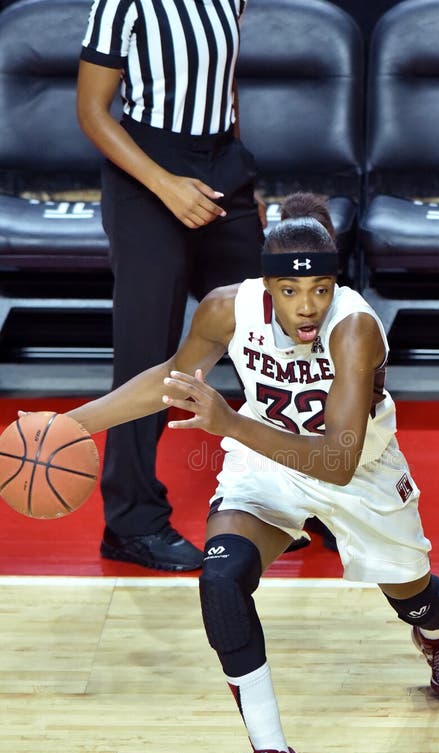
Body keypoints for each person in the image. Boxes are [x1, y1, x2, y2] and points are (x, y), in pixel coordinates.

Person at [53, 193, 439, 753]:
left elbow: (336, 460)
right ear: (265, 285)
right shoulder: (227, 308)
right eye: (289, 290)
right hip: (264, 465)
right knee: (221, 581)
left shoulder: (354, 327)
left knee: (413, 591)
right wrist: (66, 428)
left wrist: (227, 420)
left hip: (358, 471)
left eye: (319, 287)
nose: (306, 305)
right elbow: (174, 376)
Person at [77, 0, 265, 571]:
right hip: (145, 171)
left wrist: (241, 185)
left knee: (278, 323)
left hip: (219, 167)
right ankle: (131, 523)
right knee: (148, 351)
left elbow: (222, 90)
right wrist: (165, 184)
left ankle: (309, 490)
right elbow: (91, 111)